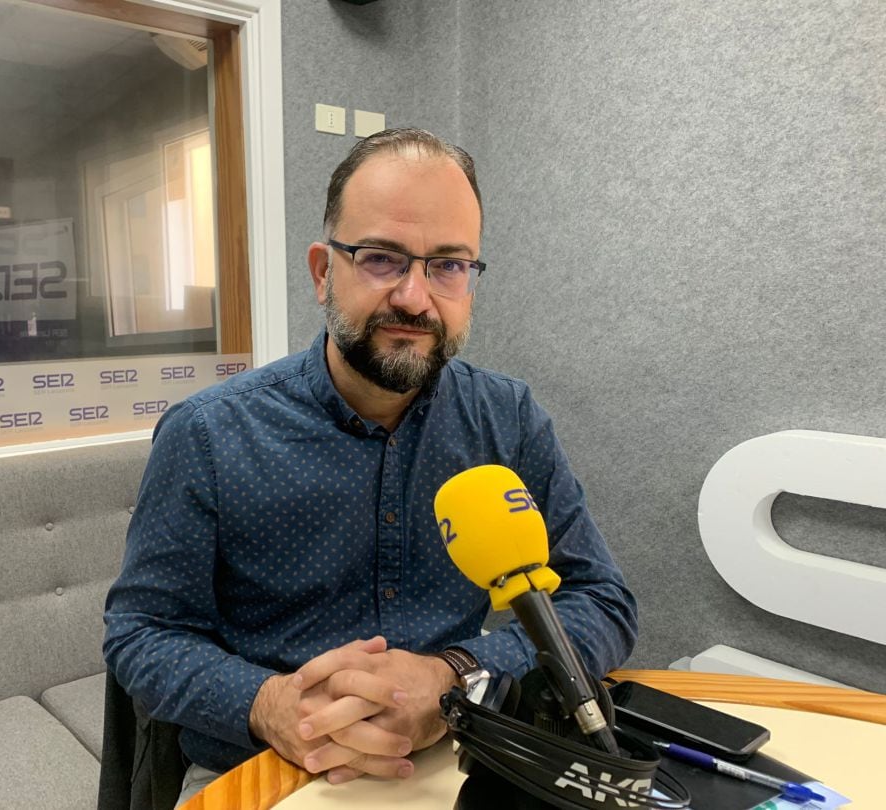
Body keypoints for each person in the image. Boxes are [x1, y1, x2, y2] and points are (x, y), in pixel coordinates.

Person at [103, 128, 638, 806]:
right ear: (324, 270)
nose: (416, 298)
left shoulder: (508, 419)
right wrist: (271, 703)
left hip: (458, 749)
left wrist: (456, 673)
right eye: (383, 258)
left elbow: (603, 600)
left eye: (449, 265)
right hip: (263, 764)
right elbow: (141, 633)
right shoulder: (208, 434)